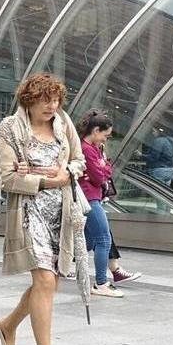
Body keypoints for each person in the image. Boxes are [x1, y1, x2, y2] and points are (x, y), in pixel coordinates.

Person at [0, 73, 84, 345]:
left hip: (61, 213)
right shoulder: (11, 128)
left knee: (49, 283)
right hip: (29, 214)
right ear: (28, 101)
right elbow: (7, 178)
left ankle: (8, 325)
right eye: (45, 100)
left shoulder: (63, 123)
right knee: (44, 280)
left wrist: (67, 171)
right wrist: (44, 180)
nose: (52, 106)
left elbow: (78, 160)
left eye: (55, 100)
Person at [77, 110, 124, 298]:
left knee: (88, 240)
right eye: (105, 135)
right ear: (96, 130)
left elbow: (104, 172)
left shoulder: (93, 148)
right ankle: (101, 283)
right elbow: (99, 176)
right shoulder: (87, 149)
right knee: (104, 239)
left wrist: (103, 168)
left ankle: (57, 263)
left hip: (91, 196)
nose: (106, 139)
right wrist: (103, 168)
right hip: (89, 198)